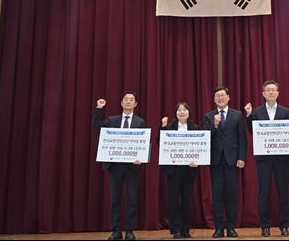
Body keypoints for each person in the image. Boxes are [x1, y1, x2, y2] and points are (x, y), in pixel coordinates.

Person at [92, 92, 146, 241]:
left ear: (135, 104)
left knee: (132, 199)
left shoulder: (140, 122)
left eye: (131, 100)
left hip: (132, 167)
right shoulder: (112, 120)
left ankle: (129, 231)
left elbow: (143, 143)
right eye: (126, 99)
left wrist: (141, 158)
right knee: (115, 199)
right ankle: (116, 231)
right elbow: (96, 126)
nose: (128, 102)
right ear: (121, 103)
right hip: (115, 166)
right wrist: (99, 108)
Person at [244, 80, 289, 238]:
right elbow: (252, 131)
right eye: (268, 90)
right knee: (264, 192)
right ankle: (265, 226)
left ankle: (284, 226)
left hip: (281, 158)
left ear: (278, 93)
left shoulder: (285, 111)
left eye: (273, 90)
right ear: (263, 94)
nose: (271, 92)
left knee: (283, 192)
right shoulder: (256, 112)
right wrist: (248, 115)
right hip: (264, 158)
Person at [203, 86, 247, 238]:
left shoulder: (237, 115)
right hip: (215, 160)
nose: (220, 98)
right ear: (214, 99)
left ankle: (231, 227)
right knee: (217, 196)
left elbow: (242, 138)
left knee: (232, 196)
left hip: (232, 160)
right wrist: (215, 125)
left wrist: (242, 157)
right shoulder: (209, 116)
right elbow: (205, 137)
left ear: (228, 97)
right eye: (217, 96)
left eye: (223, 95)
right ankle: (218, 228)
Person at [156, 102, 200, 239]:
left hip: (189, 169)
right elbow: (159, 142)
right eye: (179, 110)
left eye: (184, 109)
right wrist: (163, 127)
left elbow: (201, 148)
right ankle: (176, 230)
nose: (182, 112)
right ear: (175, 113)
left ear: (189, 113)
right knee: (173, 200)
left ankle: (185, 230)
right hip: (173, 169)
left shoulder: (195, 128)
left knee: (186, 201)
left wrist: (197, 161)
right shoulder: (169, 127)